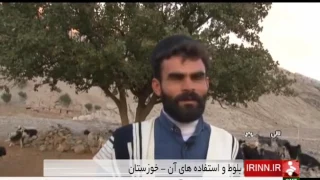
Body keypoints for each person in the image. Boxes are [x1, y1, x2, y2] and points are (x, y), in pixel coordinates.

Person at [93, 34, 244, 161]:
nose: (188, 87)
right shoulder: (125, 144)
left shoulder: (229, 148)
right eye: (177, 78)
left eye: (197, 77)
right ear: (157, 87)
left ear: (207, 83)